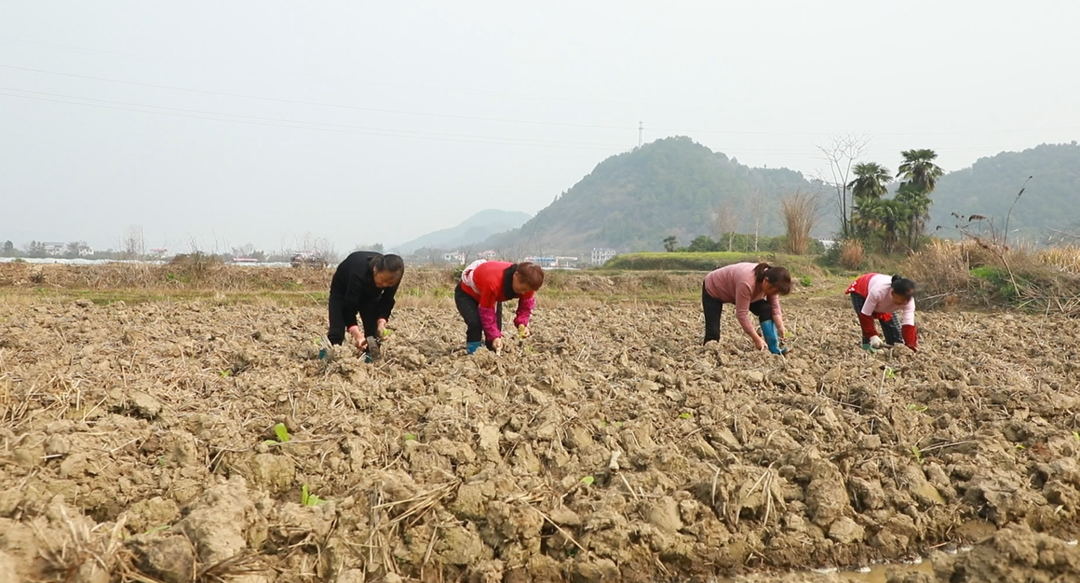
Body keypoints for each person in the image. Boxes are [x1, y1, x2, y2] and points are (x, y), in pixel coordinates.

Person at [455, 259, 544, 354]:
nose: (523, 292)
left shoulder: (528, 285)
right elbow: (486, 312)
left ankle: (492, 354)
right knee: (475, 323)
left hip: (492, 297)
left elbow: (525, 307)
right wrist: (494, 336)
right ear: (515, 276)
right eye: (522, 288)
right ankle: (472, 353)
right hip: (467, 294)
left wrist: (522, 324)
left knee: (495, 333)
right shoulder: (494, 283)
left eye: (527, 290)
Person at [326, 251, 404, 360]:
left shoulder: (395, 273)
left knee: (373, 334)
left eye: (390, 283)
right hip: (342, 290)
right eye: (382, 281)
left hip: (370, 294)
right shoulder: (358, 271)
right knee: (337, 331)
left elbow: (387, 300)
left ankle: (370, 359)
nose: (385, 285)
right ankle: (331, 356)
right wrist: (356, 334)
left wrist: (381, 323)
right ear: (375, 269)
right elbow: (349, 307)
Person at [702, 262, 792, 354]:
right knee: (713, 333)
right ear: (765, 280)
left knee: (766, 309)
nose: (774, 294)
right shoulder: (747, 282)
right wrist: (756, 339)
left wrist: (780, 327)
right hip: (714, 288)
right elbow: (741, 314)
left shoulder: (772, 280)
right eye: (774, 291)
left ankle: (773, 347)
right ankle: (708, 354)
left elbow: (774, 306)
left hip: (738, 291)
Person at [845, 273, 917, 352]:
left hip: (883, 303)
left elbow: (908, 325)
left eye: (907, 299)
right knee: (867, 329)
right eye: (902, 299)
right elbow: (865, 315)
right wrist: (872, 335)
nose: (905, 302)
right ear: (893, 293)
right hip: (862, 291)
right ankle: (866, 349)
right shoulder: (878, 292)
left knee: (896, 336)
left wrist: (910, 346)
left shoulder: (909, 302)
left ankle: (893, 352)